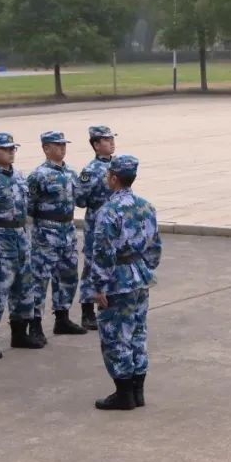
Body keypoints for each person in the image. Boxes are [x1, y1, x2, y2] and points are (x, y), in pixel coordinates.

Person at [89, 155, 162, 411]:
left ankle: (124, 394)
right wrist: (145, 268)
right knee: (138, 333)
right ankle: (137, 392)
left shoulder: (108, 211)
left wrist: (98, 286)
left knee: (115, 336)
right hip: (140, 276)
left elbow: (103, 252)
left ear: (114, 178)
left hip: (117, 279)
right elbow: (155, 245)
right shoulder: (146, 206)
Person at [0, 132, 41, 353]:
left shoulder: (19, 177)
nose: (11, 152)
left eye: (13, 148)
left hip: (21, 236)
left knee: (24, 286)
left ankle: (20, 334)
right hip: (0, 239)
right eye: (6, 149)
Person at [28, 131, 87, 336]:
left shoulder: (71, 172)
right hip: (46, 230)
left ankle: (62, 318)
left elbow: (80, 199)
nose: (62, 148)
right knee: (40, 278)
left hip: (68, 230)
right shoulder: (38, 175)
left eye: (64, 145)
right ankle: (34, 324)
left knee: (68, 275)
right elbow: (29, 206)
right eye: (57, 145)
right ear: (46, 148)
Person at [75, 126, 117, 330]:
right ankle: (87, 311)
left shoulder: (117, 166)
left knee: (113, 263)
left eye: (112, 139)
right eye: (106, 140)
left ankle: (107, 306)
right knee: (93, 265)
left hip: (116, 223)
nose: (111, 142)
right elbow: (80, 199)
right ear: (96, 144)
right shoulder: (90, 171)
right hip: (97, 222)